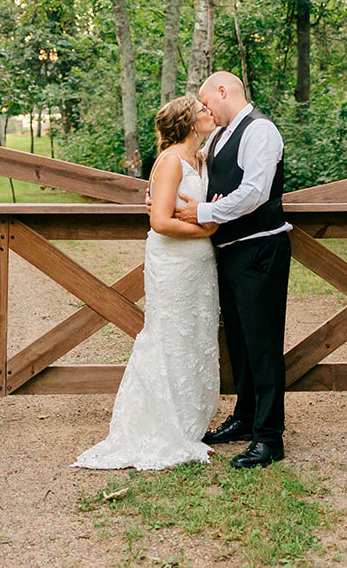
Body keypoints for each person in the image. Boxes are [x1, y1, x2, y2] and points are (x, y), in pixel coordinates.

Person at [73, 95, 220, 470]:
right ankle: (161, 428)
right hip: (173, 263)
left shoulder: (201, 159)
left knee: (195, 337)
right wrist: (207, 231)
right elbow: (160, 222)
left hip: (199, 266)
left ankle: (189, 422)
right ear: (188, 123)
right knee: (169, 337)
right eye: (203, 110)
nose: (209, 113)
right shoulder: (171, 161)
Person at [173, 71, 289, 470]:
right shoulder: (219, 135)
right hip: (229, 250)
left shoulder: (261, 131)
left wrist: (203, 212)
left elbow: (255, 192)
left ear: (224, 92)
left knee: (263, 342)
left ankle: (269, 437)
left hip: (260, 249)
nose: (205, 111)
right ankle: (244, 418)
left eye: (207, 103)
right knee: (239, 341)